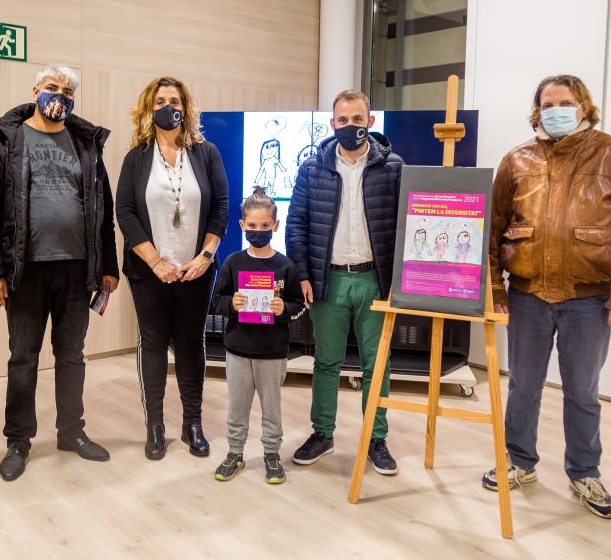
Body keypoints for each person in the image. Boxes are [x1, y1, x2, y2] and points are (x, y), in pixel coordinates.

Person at [481, 74, 611, 519]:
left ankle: (584, 472)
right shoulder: (516, 160)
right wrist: (495, 287)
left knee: (583, 391)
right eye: (546, 103)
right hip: (527, 297)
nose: (554, 109)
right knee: (523, 387)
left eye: (564, 102)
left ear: (583, 106)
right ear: (536, 109)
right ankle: (519, 461)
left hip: (589, 300)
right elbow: (492, 227)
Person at [0, 65, 119, 481]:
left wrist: (108, 266)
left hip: (77, 269)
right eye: (52, 88)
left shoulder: (85, 142)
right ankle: (18, 440)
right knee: (23, 358)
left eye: (68, 90)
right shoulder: (7, 140)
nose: (60, 95)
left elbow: (102, 209)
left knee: (72, 356)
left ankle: (71, 432)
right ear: (35, 90)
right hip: (25, 271)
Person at [286, 89, 403, 475]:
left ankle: (376, 438)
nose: (350, 126)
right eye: (342, 119)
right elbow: (297, 227)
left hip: (374, 279)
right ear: (332, 123)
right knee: (326, 362)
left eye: (357, 119)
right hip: (328, 280)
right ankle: (323, 433)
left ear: (370, 122)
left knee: (377, 364)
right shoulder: (311, 169)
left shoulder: (394, 168)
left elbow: (407, 228)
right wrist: (303, 273)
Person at [116, 76, 229, 460]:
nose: (169, 106)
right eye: (161, 100)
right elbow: (125, 213)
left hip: (196, 270)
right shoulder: (136, 157)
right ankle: (155, 426)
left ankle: (192, 423)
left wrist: (206, 256)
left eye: (175, 99)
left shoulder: (205, 152)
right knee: (152, 344)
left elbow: (222, 207)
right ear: (149, 109)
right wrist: (156, 261)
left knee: (190, 344)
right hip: (150, 271)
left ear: (186, 106)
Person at [210, 188, 305, 484]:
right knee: (237, 408)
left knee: (271, 410)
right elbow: (216, 301)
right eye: (252, 226)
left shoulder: (285, 266)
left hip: (272, 352)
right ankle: (235, 452)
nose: (259, 231)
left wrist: (282, 309)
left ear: (276, 226)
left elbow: (298, 305)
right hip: (238, 350)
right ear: (242, 226)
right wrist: (232, 304)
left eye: (265, 226)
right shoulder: (233, 263)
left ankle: (272, 455)